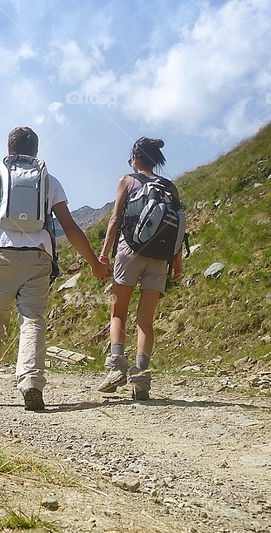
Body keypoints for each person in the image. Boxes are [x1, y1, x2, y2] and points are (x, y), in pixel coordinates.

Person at [0, 126, 110, 411]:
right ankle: (31, 382)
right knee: (32, 320)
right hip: (38, 256)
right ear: (36, 150)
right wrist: (94, 263)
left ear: (9, 149)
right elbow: (70, 227)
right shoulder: (49, 181)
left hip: (1, 254)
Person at [96, 137, 183, 400]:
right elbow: (178, 225)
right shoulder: (169, 186)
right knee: (145, 320)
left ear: (135, 157)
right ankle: (141, 380)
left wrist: (103, 254)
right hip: (160, 257)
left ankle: (116, 368)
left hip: (129, 251)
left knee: (118, 312)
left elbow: (115, 219)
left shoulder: (127, 180)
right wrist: (176, 261)